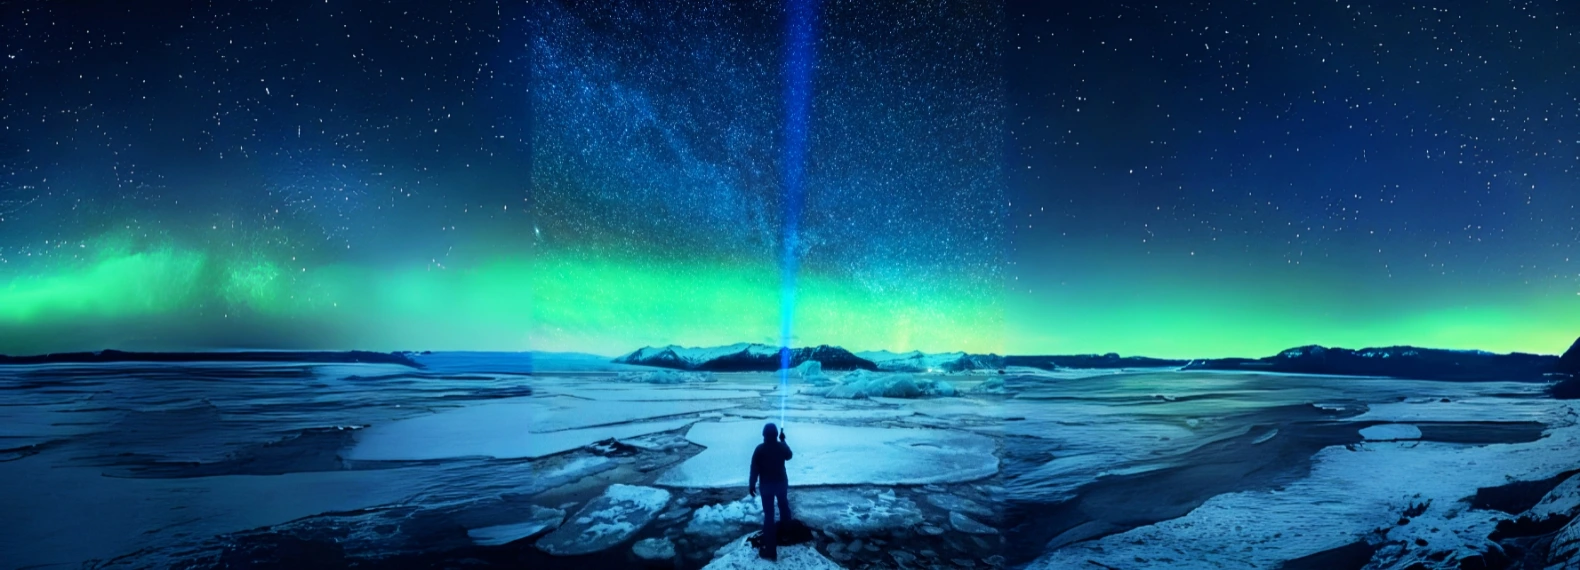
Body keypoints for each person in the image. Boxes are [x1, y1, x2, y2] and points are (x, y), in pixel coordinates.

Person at [748, 422, 793, 561]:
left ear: (764, 435)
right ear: (775, 435)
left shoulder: (760, 449)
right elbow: (789, 455)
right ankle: (786, 535)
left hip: (767, 486)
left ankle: (771, 550)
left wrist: (752, 484)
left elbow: (754, 468)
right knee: (784, 507)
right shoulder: (780, 446)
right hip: (781, 483)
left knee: (769, 515)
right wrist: (783, 440)